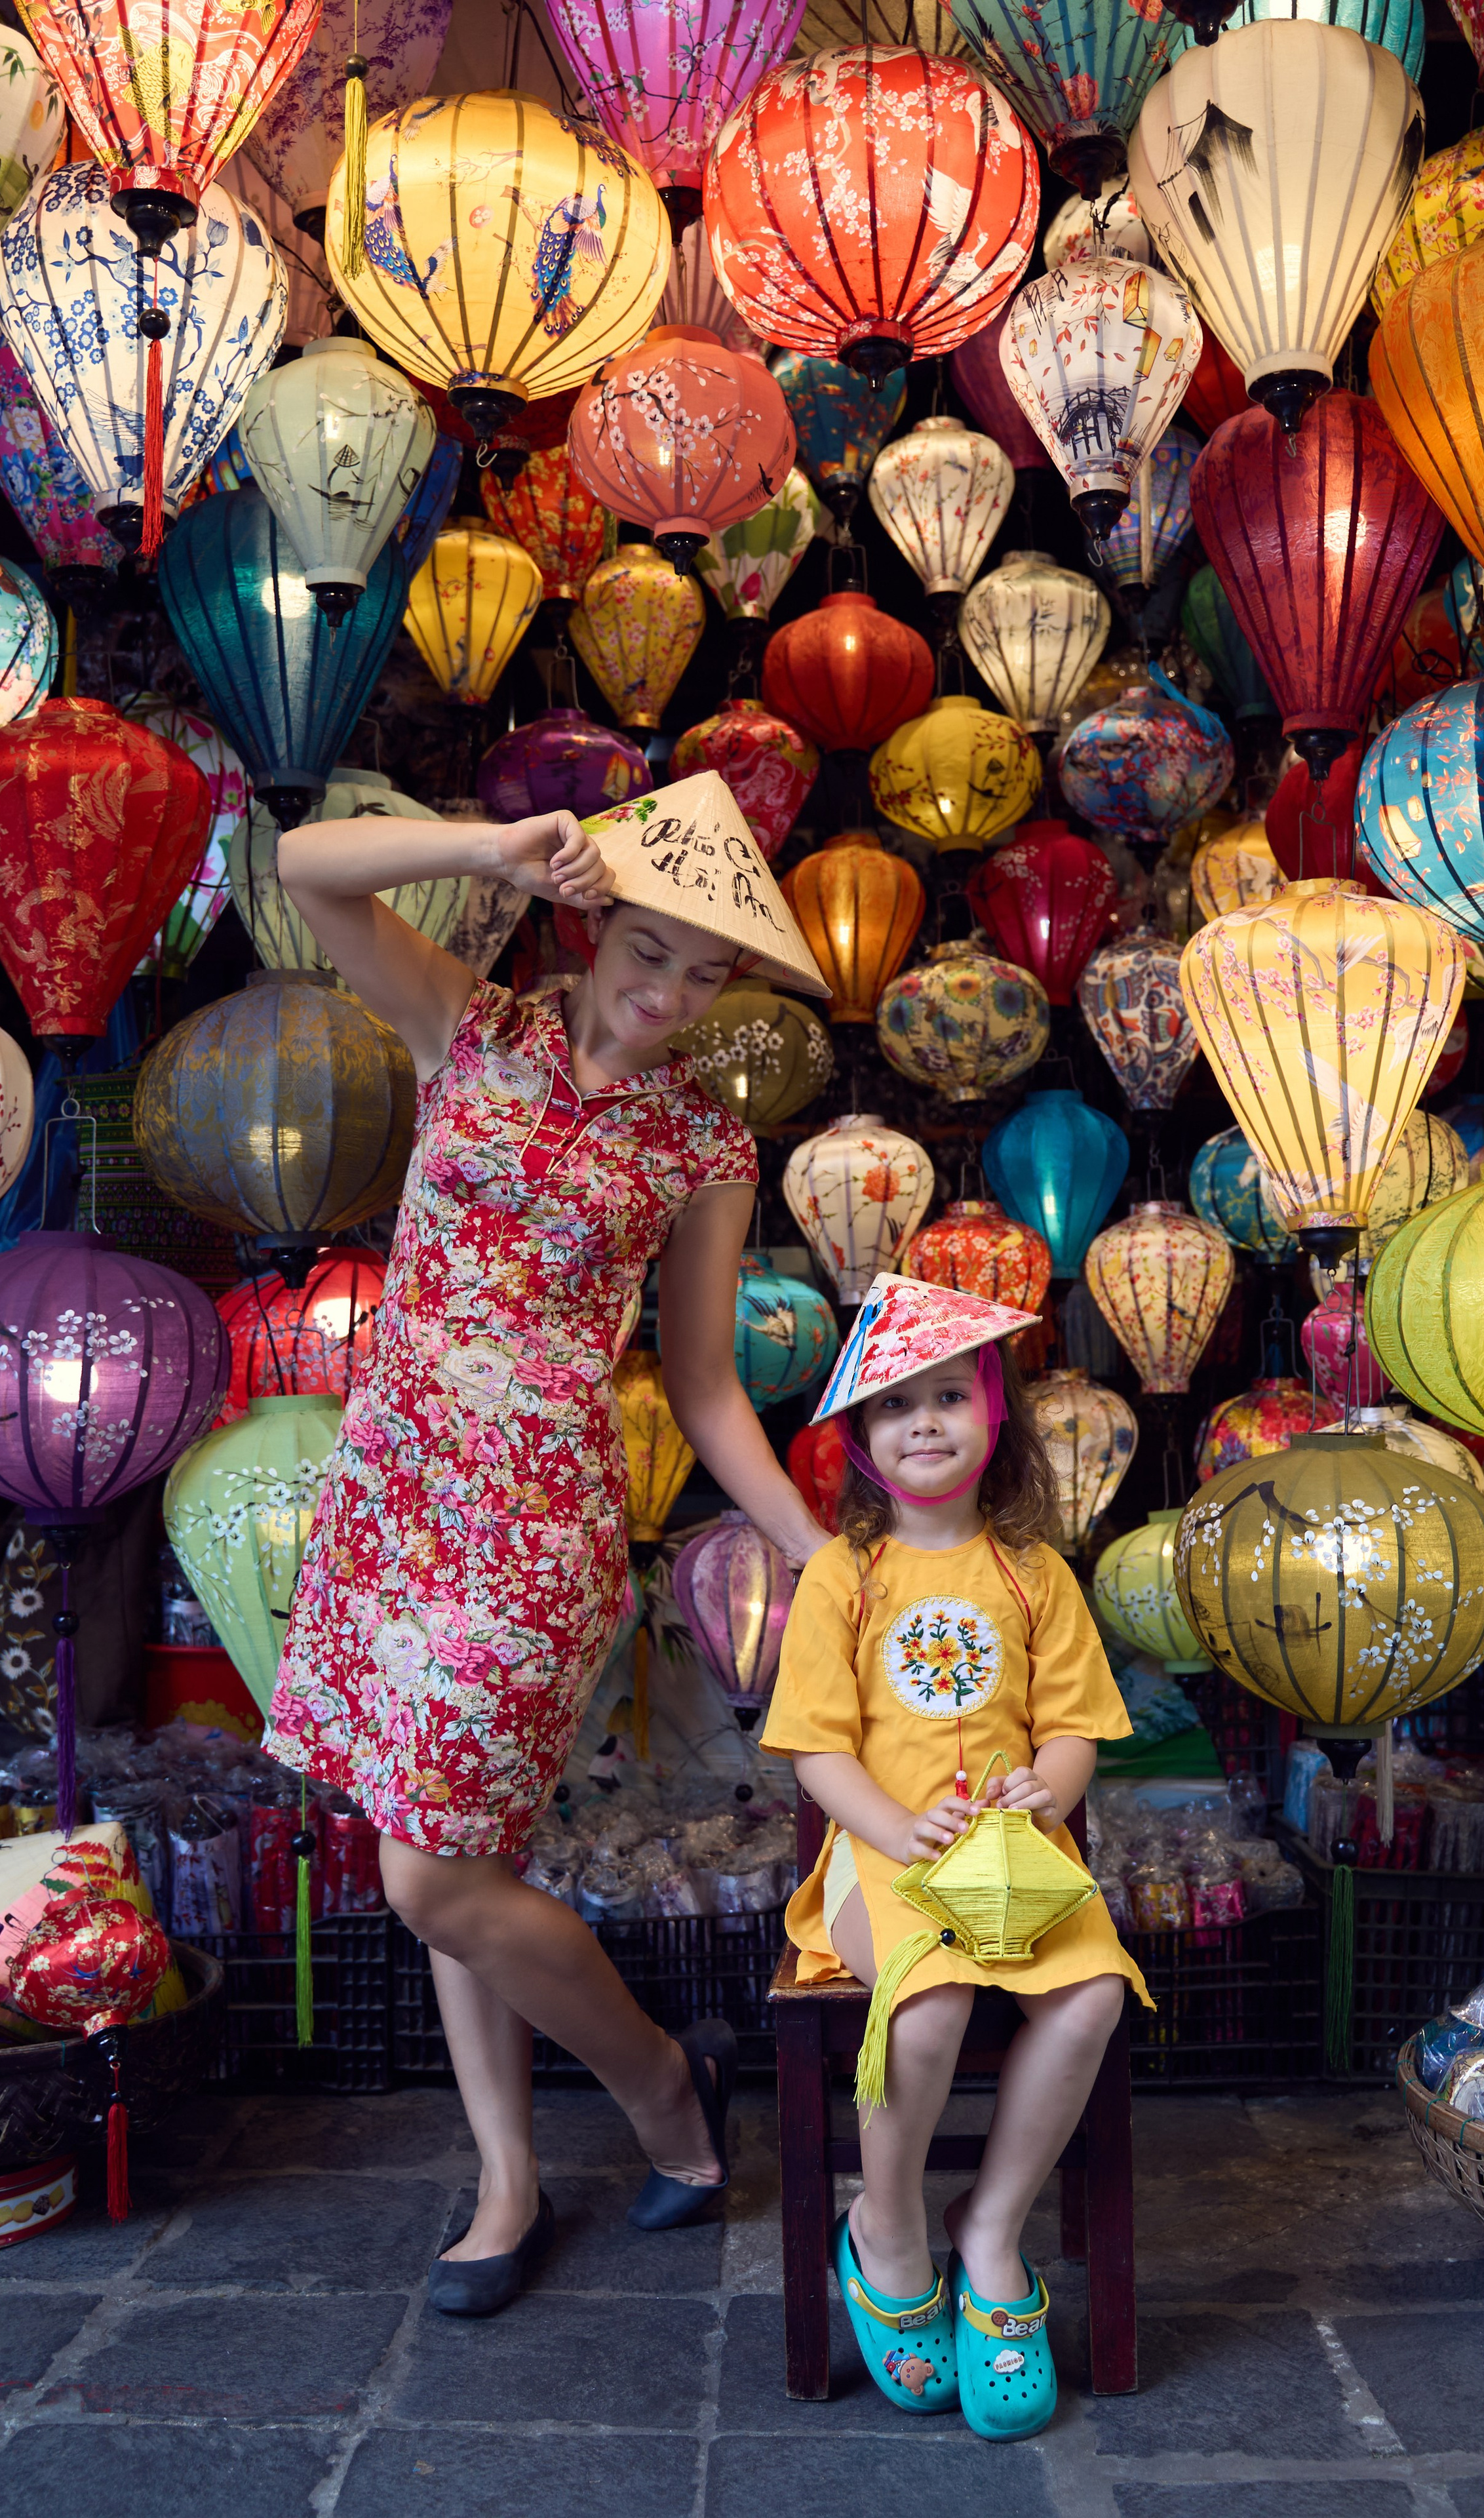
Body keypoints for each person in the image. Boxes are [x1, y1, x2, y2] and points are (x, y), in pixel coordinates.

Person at [262, 773, 832, 2315]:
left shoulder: (702, 1147)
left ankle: (657, 2086)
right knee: (459, 1843)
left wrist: (808, 1545)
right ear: (588, 927)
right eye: (649, 953)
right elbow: (304, 867)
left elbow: (706, 1390)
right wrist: (481, 848)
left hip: (533, 1523)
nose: (670, 995)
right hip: (388, 1494)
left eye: (706, 973)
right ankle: (506, 2177)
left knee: (429, 1873)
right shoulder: (479, 1027)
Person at [758, 1274, 1149, 2443]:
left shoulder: (1037, 1573)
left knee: (1088, 1998)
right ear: (863, 1443)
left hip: (1019, 1859)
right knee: (923, 2014)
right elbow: (816, 1753)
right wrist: (888, 1828)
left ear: (995, 1420)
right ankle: (886, 2227)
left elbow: (1076, 1721)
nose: (923, 1421)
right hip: (887, 1861)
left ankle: (990, 2223)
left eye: (948, 1397)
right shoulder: (844, 1577)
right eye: (894, 1406)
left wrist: (1053, 1785)